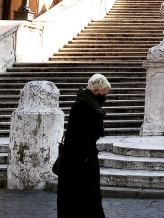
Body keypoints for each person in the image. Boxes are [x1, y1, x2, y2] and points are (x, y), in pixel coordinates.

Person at [57, 73, 110, 218]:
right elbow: (85, 135)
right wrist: (87, 157)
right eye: (104, 94)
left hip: (77, 159)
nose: (105, 97)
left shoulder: (82, 105)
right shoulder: (87, 108)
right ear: (95, 91)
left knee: (80, 199)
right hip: (81, 162)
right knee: (85, 198)